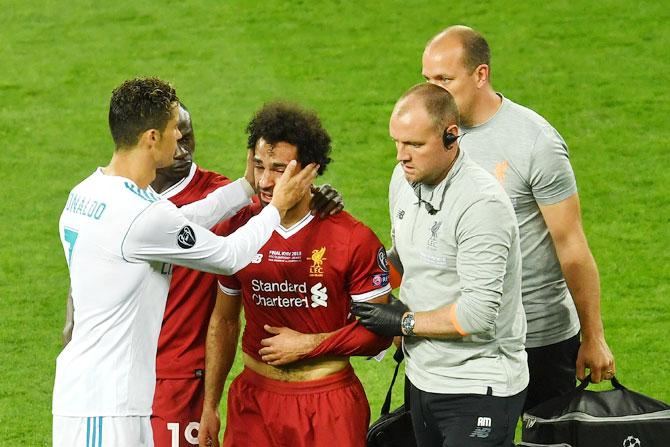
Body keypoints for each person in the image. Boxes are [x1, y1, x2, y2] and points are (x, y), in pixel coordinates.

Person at [53, 77, 317, 447]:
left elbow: (177, 221)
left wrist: (243, 189)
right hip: (106, 403)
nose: (181, 137)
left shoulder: (90, 192)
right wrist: (276, 208)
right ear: (151, 138)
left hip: (98, 392)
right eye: (174, 128)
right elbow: (228, 256)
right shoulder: (139, 214)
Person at [421, 25, 615, 409]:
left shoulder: (534, 141)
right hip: (460, 338)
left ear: (481, 75)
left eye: (445, 79)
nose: (433, 92)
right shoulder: (428, 138)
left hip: (538, 339)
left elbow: (571, 245)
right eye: (427, 79)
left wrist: (593, 336)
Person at [198, 102, 393, 447]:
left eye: (278, 169)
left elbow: (378, 334)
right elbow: (224, 322)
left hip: (327, 404)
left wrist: (308, 345)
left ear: (310, 171)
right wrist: (210, 405)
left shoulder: (352, 239)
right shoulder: (240, 231)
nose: (265, 180)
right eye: (258, 166)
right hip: (254, 402)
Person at [353, 83, 528, 446]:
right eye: (397, 143)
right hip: (421, 378)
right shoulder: (403, 180)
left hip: (479, 385)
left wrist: (403, 322)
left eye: (414, 144)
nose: (402, 156)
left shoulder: (481, 206)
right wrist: (364, 286)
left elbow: (478, 314)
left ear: (452, 137)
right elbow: (404, 258)